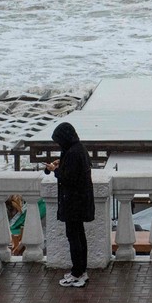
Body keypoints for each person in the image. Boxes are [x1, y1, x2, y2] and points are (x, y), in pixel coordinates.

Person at [44, 121, 95, 288]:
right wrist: (61, 163)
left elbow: (68, 178)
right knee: (79, 236)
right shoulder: (79, 149)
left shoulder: (72, 153)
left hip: (73, 203)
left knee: (74, 237)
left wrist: (55, 170)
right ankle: (81, 270)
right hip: (80, 202)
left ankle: (77, 273)